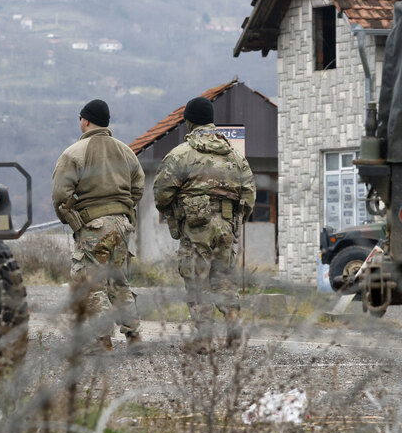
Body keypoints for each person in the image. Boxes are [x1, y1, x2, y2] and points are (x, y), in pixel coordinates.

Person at [153, 96, 256, 353]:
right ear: (212, 122)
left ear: (188, 122)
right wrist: (234, 221)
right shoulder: (235, 156)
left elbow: (161, 193)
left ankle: (204, 340)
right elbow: (250, 193)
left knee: (197, 281)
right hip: (226, 227)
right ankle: (233, 330)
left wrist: (176, 210)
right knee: (222, 279)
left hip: (196, 227)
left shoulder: (181, 155)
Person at [52, 99, 145, 351]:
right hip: (122, 225)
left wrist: (74, 220)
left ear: (85, 121)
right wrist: (123, 210)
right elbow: (138, 188)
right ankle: (134, 336)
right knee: (118, 281)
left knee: (92, 283)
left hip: (94, 226)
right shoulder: (126, 152)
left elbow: (61, 194)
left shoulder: (74, 153)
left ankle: (102, 340)